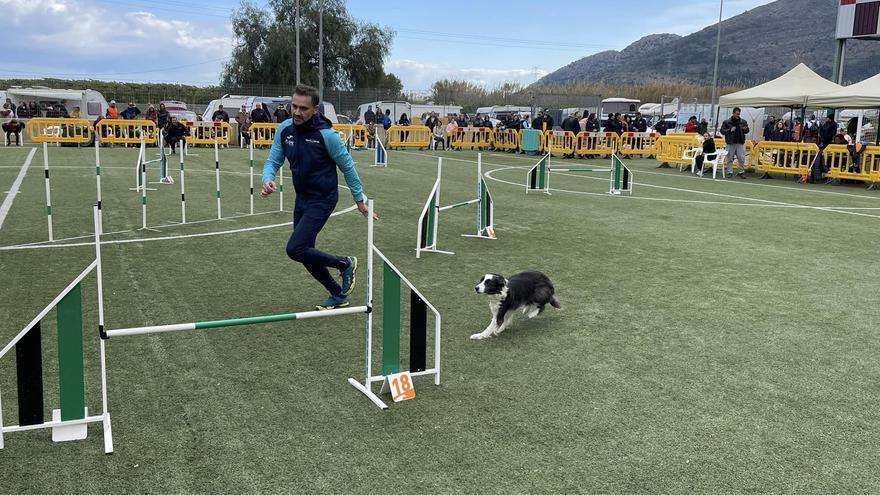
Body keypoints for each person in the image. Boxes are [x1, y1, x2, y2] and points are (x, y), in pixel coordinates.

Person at [260, 85, 369, 311]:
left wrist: (359, 199)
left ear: (315, 109)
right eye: (294, 106)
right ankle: (337, 294)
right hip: (302, 199)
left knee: (295, 249)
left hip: (323, 199)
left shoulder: (327, 136)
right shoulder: (285, 129)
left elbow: (347, 167)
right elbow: (273, 161)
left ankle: (345, 263)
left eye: (303, 108)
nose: (297, 112)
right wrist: (267, 179)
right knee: (304, 252)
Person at [721, 107, 750, 178]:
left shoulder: (743, 121)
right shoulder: (726, 122)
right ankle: (729, 172)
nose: (738, 115)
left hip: (740, 142)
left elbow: (747, 130)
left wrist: (745, 129)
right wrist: (730, 130)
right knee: (730, 158)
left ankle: (741, 172)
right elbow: (722, 131)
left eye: (739, 114)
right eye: (737, 114)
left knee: (741, 158)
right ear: (733, 113)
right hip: (730, 142)